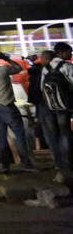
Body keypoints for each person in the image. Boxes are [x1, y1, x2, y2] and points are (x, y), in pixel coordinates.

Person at [0, 49, 37, 173]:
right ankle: (25, 163)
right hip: (7, 106)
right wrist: (5, 58)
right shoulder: (3, 70)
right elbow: (18, 67)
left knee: (1, 136)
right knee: (19, 135)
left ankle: (5, 165)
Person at [42, 42, 73, 178]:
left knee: (53, 135)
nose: (71, 55)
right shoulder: (67, 66)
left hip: (48, 105)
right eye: (69, 52)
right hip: (63, 105)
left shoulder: (46, 68)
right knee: (65, 132)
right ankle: (68, 162)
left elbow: (41, 88)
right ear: (62, 52)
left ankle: (58, 163)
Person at [27, 50, 57, 166]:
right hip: (60, 105)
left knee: (50, 133)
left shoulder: (42, 71)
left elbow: (37, 90)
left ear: (45, 59)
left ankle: (58, 161)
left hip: (44, 104)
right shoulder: (60, 68)